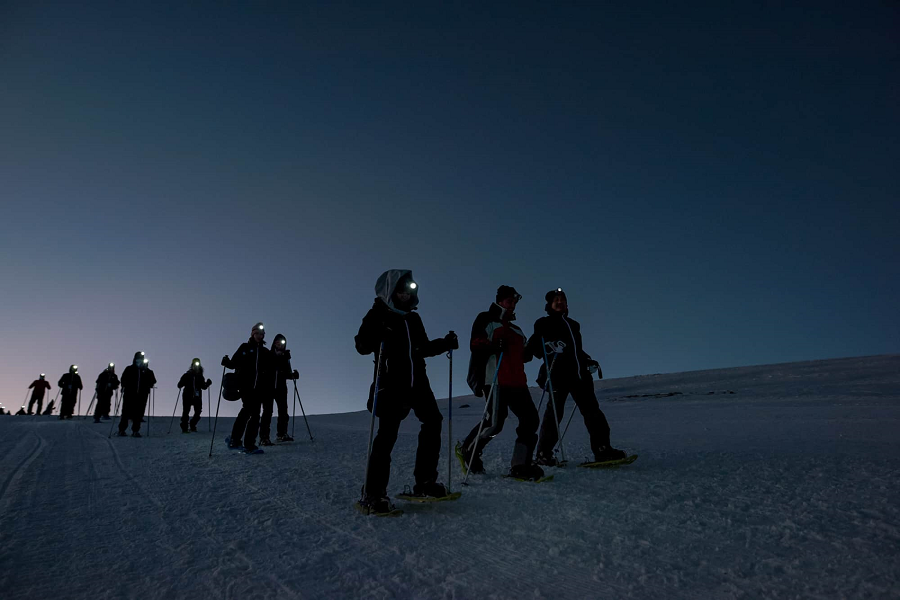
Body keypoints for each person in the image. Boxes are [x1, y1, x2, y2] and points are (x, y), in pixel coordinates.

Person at [354, 269, 458, 514]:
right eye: (401, 290)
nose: (405, 295)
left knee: (433, 421)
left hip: (418, 382)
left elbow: (422, 348)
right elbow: (362, 345)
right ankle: (373, 493)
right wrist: (378, 333)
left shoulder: (413, 319)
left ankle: (425, 482)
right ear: (390, 290)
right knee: (387, 435)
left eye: (409, 291)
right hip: (391, 382)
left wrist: (445, 343)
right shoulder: (377, 314)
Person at [527, 289, 626, 465]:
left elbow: (575, 350)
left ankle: (602, 449)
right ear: (549, 305)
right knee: (554, 414)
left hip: (579, 376)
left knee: (593, 413)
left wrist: (587, 360)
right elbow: (535, 346)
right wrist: (549, 347)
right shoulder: (543, 323)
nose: (560, 302)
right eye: (556, 300)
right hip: (557, 374)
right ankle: (544, 453)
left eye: (562, 300)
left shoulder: (573, 325)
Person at [459, 286, 543, 480]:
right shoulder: (486, 319)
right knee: (495, 423)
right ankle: (468, 450)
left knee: (530, 420)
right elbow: (475, 343)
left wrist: (535, 344)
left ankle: (520, 465)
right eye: (509, 301)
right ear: (499, 301)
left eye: (514, 302)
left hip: (518, 381)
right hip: (495, 378)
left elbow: (525, 355)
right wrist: (493, 346)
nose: (512, 305)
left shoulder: (516, 329)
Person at [222, 323, 274, 454]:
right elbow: (234, 363)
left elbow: (271, 368)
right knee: (247, 410)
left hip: (259, 388)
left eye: (262, 334)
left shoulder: (265, 352)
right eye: (257, 333)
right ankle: (235, 439)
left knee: (255, 415)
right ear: (252, 334)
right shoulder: (245, 347)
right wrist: (227, 362)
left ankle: (249, 444)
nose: (259, 336)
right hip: (245, 386)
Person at [261, 334, 299, 445]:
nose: (280, 345)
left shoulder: (285, 357)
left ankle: (282, 434)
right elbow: (266, 369)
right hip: (268, 387)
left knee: (283, 411)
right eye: (278, 342)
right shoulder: (268, 354)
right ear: (274, 343)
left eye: (282, 343)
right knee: (267, 412)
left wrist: (293, 375)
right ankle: (264, 437)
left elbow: (285, 373)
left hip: (281, 387)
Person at [117, 352, 157, 437]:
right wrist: (124, 385)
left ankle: (135, 430)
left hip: (142, 395)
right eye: (138, 358)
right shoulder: (129, 369)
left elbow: (153, 381)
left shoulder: (148, 371)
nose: (140, 360)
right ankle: (121, 430)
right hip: (129, 394)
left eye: (141, 358)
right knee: (126, 412)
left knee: (139, 413)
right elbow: (123, 378)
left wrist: (148, 378)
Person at [177, 358, 211, 432]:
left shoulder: (200, 376)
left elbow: (203, 387)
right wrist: (182, 383)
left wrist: (207, 383)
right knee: (186, 411)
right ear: (192, 365)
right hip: (187, 395)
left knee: (198, 411)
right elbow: (179, 384)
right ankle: (185, 427)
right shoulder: (187, 375)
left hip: (196, 396)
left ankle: (192, 424)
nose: (196, 366)